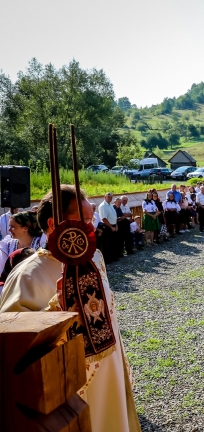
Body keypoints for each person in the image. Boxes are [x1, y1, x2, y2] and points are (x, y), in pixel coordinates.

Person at [0, 185, 142, 431]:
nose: (91, 225)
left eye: (91, 218)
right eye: (85, 219)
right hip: (71, 385)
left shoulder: (94, 258)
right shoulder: (28, 275)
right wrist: (57, 310)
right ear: (55, 224)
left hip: (110, 367)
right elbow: (14, 346)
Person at [98, 192, 119, 262]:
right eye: (108, 197)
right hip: (107, 226)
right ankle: (107, 259)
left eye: (111, 197)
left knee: (113, 242)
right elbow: (104, 219)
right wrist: (111, 227)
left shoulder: (111, 205)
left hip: (113, 225)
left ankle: (113, 256)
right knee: (107, 243)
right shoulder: (103, 206)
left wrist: (116, 225)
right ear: (105, 197)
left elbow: (114, 216)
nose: (110, 198)